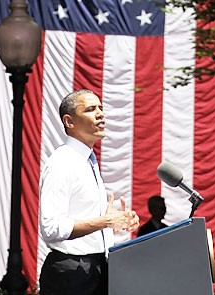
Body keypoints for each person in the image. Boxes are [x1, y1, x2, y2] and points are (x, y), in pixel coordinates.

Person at [39, 89, 140, 295]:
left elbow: (89, 218)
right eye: (91, 109)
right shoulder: (62, 162)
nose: (101, 114)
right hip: (71, 275)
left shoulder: (88, 161)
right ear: (69, 121)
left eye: (101, 108)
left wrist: (116, 221)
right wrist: (104, 222)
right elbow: (50, 227)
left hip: (97, 269)